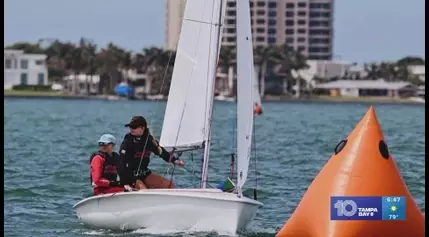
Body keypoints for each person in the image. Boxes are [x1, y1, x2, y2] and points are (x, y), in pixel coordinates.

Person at [119, 116, 184, 190]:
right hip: (130, 176)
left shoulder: (149, 140)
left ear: (142, 128)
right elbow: (121, 163)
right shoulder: (127, 141)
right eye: (130, 127)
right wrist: (125, 183)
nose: (131, 129)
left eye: (134, 127)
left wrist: (174, 160)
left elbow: (161, 152)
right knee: (144, 191)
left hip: (144, 173)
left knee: (170, 186)